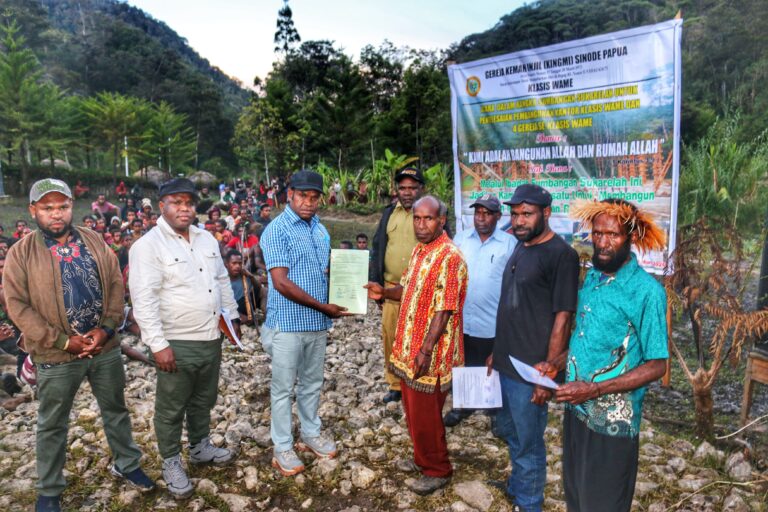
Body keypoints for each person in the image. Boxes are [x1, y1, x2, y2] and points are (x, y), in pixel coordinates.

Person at [3, 179, 154, 512]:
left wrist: (107, 328)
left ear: (72, 206)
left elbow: (115, 283)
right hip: (56, 354)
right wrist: (62, 341)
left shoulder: (94, 239)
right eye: (47, 208)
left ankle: (127, 463)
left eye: (63, 206)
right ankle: (49, 489)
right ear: (33, 210)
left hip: (104, 347)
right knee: (52, 422)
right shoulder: (21, 253)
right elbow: (17, 306)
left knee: (115, 409)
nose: (56, 214)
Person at [554, 199, 669, 512]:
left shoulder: (646, 292)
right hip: (577, 412)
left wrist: (594, 389)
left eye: (613, 235)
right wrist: (554, 364)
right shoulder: (593, 277)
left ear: (630, 237)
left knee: (603, 504)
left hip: (613, 423)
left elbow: (657, 365)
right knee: (577, 498)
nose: (602, 243)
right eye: (597, 233)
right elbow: (588, 340)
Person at [129, 177, 240, 499]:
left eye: (189, 203)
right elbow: (144, 300)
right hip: (176, 341)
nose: (184, 209)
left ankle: (200, 447)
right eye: (176, 202)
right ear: (161, 206)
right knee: (171, 406)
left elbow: (221, 280)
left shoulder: (206, 239)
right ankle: (171, 461)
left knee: (204, 398)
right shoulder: (147, 246)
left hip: (211, 335)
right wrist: (158, 345)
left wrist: (232, 317)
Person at [365, 196, 468, 495]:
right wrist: (383, 291)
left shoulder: (450, 257)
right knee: (412, 409)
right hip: (409, 346)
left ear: (442, 220)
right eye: (417, 218)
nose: (421, 225)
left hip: (431, 353)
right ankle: (422, 458)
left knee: (426, 414)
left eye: (428, 219)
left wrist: (425, 351)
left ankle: (437, 469)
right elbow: (407, 289)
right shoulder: (420, 250)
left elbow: (444, 309)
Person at [488, 184, 580, 511]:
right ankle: (518, 485)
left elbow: (563, 318)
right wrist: (496, 352)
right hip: (505, 361)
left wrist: (546, 376)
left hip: (531, 370)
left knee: (528, 443)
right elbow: (513, 305)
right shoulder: (521, 245)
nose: (519, 220)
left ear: (546, 213)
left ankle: (529, 503)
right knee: (508, 430)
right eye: (515, 214)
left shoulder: (562, 255)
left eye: (526, 214)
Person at [260, 169, 349, 477]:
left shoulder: (320, 230)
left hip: (317, 323)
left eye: (314, 197)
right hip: (287, 323)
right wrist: (323, 306)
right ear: (290, 195)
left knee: (312, 383)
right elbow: (281, 282)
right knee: (283, 389)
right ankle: (282, 446)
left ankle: (310, 433)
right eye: (302, 196)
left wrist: (348, 286)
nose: (309, 202)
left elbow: (325, 273)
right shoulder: (277, 230)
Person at [443, 194, 515, 427]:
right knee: (464, 364)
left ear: (498, 216)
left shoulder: (509, 244)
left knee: (492, 365)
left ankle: (494, 409)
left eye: (487, 213)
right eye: (478, 213)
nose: (481, 218)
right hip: (463, 318)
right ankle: (463, 405)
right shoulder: (461, 239)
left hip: (492, 321)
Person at [370, 168, 424, 403]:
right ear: (397, 190)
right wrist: (377, 284)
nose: (407, 192)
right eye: (403, 188)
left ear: (421, 189)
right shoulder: (389, 213)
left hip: (420, 291)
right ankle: (395, 385)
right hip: (391, 289)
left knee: (420, 338)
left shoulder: (429, 213)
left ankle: (418, 381)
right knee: (390, 337)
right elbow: (377, 247)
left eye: (412, 187)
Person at [224, 250, 260, 325]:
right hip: (233, 309)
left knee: (264, 292)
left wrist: (251, 276)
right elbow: (224, 306)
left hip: (248, 305)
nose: (237, 266)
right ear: (226, 264)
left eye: (240, 263)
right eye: (234, 263)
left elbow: (258, 288)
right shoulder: (223, 280)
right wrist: (240, 315)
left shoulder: (244, 275)